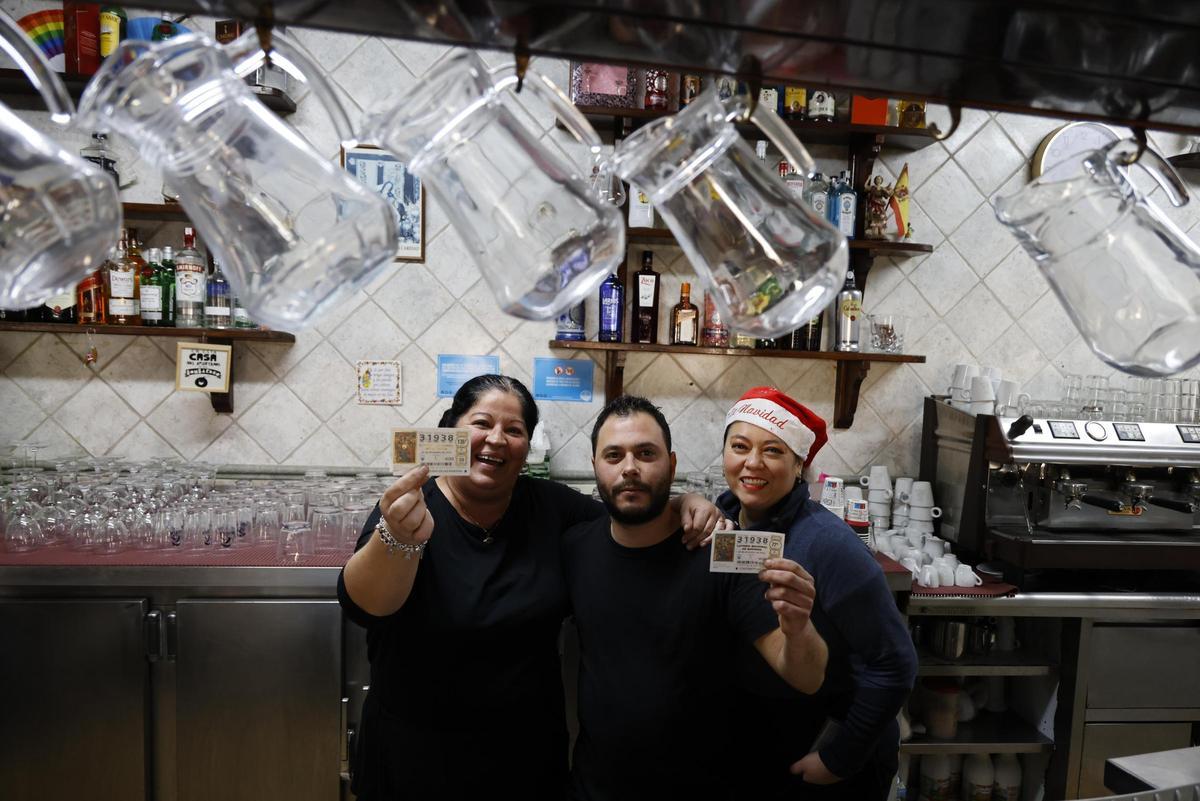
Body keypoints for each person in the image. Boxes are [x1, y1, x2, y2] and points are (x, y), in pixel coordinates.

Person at [336, 375, 725, 799]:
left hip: (524, 759)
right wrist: (399, 537)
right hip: (416, 756)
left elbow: (629, 512)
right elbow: (366, 607)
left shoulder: (553, 507)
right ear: (450, 430)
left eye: (515, 430)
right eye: (482, 423)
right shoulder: (411, 505)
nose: (497, 440)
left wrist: (686, 502)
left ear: (526, 447)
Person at [563, 394, 829, 801]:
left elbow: (806, 678)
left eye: (645, 453)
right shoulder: (575, 547)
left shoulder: (719, 553)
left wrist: (799, 627)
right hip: (597, 783)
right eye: (613, 455)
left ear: (671, 465)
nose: (629, 468)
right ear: (596, 465)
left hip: (703, 783)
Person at [718, 386, 918, 800]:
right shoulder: (728, 522)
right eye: (740, 446)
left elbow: (895, 663)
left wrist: (840, 759)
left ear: (798, 466)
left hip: (824, 747)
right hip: (762, 741)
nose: (752, 462)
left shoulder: (829, 543)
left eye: (773, 451)